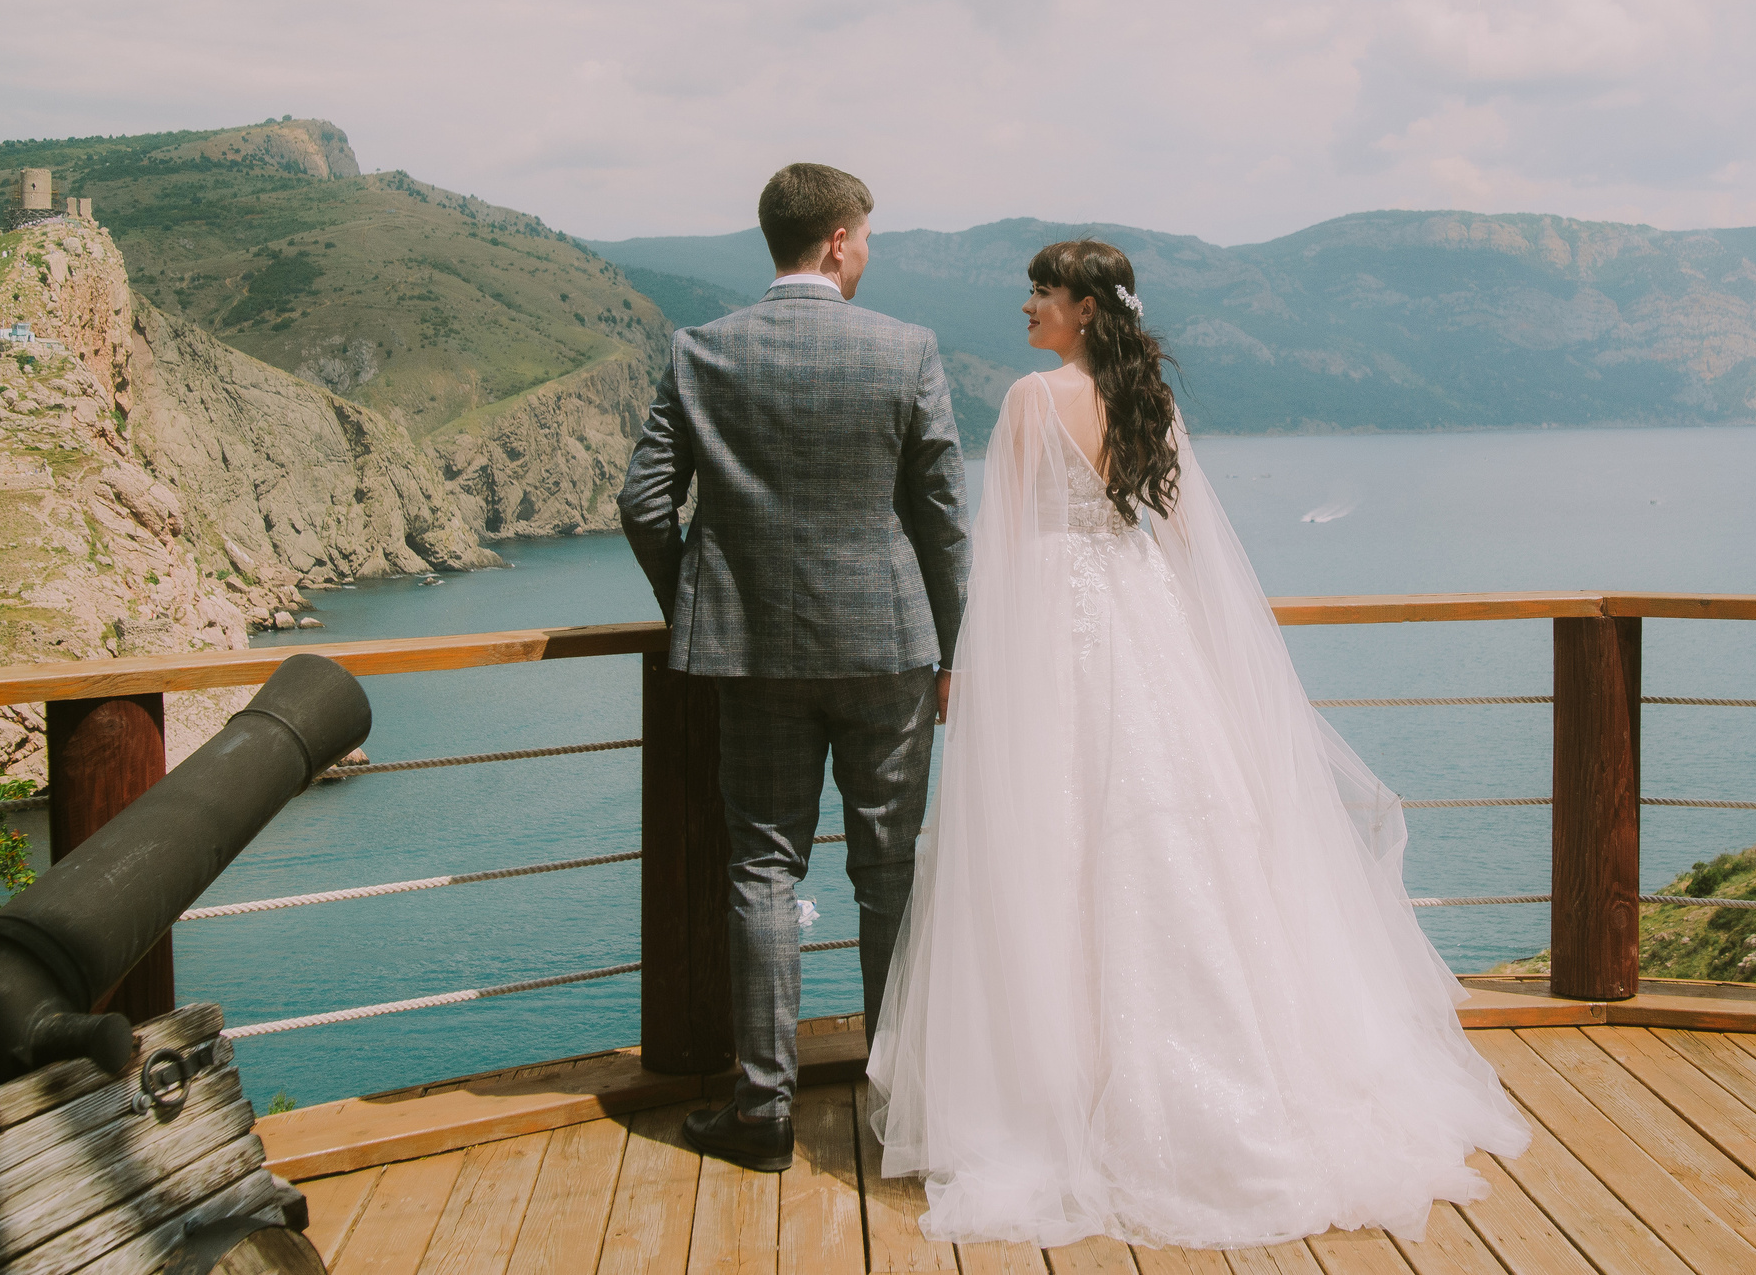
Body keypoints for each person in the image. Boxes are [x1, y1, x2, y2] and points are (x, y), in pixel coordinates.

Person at [867, 239, 1529, 1247]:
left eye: (1039, 293)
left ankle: (1062, 1083)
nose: (1025, 308)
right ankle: (1223, 1068)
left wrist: (975, 664)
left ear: (1083, 307)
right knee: (1174, 840)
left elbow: (993, 548)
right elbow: (1178, 537)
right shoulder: (1150, 404)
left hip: (1050, 633)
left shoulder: (1028, 403)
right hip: (1148, 625)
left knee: (1053, 842)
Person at [620, 162, 971, 1174]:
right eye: (865, 235)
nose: (868, 250)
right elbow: (940, 521)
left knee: (763, 867)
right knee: (887, 868)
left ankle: (762, 1109)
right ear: (835, 241)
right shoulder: (906, 349)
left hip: (752, 653)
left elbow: (645, 505)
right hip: (889, 649)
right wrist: (956, 648)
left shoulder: (701, 350)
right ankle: (900, 1094)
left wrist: (701, 602)